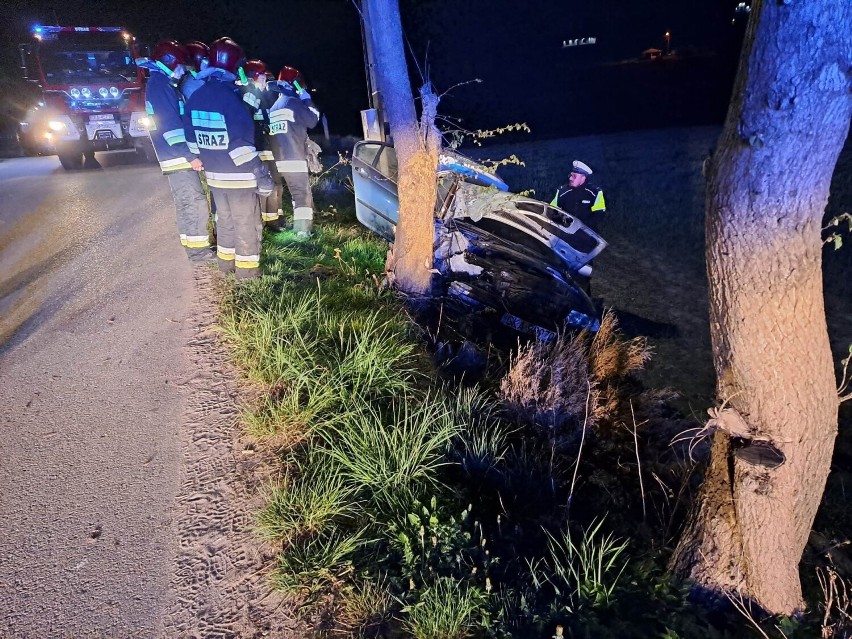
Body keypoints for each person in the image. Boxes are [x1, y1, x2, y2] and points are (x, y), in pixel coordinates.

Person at [185, 37, 273, 280]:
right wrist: (261, 173)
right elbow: (241, 146)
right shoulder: (232, 99)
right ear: (236, 66)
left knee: (225, 223)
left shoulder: (195, 98)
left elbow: (191, 141)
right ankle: (247, 276)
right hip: (240, 178)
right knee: (247, 225)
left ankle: (226, 267)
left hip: (215, 178)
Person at [140, 40, 213, 263]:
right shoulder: (161, 86)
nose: (183, 70)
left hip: (173, 156)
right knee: (194, 201)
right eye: (180, 65)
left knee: (185, 202)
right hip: (177, 156)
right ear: (171, 62)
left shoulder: (159, 83)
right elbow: (170, 127)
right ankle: (199, 252)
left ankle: (190, 244)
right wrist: (191, 156)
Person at [267, 66, 321, 236]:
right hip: (295, 157)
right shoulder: (294, 103)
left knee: (295, 193)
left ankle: (300, 227)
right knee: (301, 195)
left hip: (280, 160)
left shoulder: (276, 106)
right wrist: (308, 100)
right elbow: (313, 119)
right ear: (296, 85)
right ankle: (303, 232)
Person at [241, 60, 283, 227]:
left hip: (269, 146)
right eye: (263, 77)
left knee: (276, 184)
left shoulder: (264, 96)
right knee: (266, 185)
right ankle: (268, 222)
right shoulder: (246, 95)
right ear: (254, 78)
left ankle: (275, 218)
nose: (265, 80)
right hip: (258, 148)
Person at [550, 160, 606, 232]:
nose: (570, 178)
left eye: (574, 176)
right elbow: (551, 210)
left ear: (583, 177)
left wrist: (582, 226)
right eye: (570, 175)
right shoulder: (562, 191)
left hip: (586, 233)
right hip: (564, 232)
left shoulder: (595, 193)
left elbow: (599, 214)